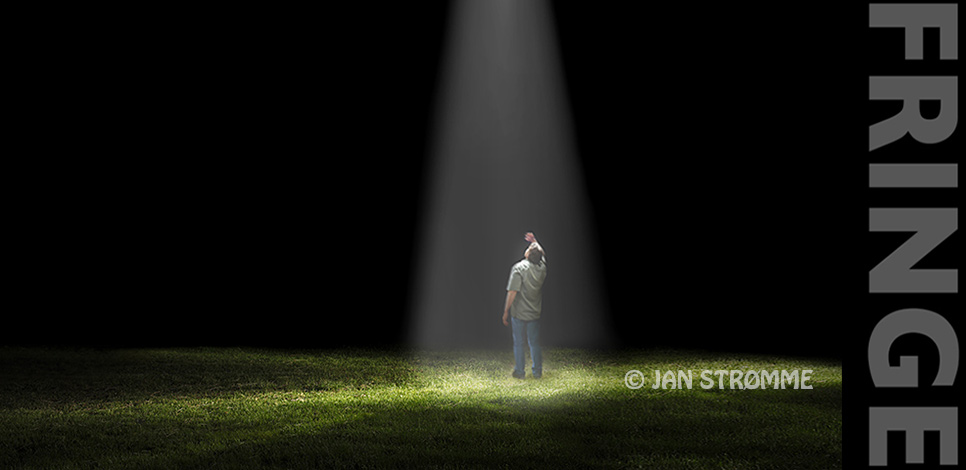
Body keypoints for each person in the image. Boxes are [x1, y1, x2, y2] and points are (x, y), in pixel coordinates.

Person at [502, 232, 547, 379]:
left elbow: (512, 292)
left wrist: (506, 311)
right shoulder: (542, 267)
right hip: (534, 312)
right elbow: (542, 254)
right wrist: (535, 241)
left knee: (519, 343)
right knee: (534, 343)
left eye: (530, 247)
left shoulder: (519, 268)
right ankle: (537, 372)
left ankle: (520, 372)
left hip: (519, 313)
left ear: (528, 254)